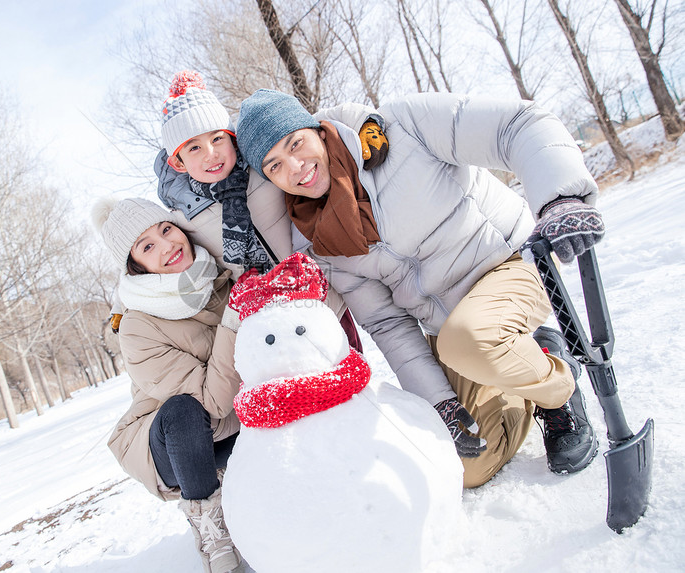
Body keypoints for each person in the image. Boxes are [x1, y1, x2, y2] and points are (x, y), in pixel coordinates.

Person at [234, 88, 604, 488]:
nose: (295, 167)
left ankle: (559, 394)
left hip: (509, 263)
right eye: (274, 166)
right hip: (449, 329)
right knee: (468, 466)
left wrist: (560, 199)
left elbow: (514, 126)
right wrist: (441, 404)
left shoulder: (404, 127)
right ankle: (536, 354)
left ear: (318, 131)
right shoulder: (315, 240)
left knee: (470, 339)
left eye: (296, 143)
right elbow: (386, 322)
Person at [150, 70, 390, 351]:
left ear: (232, 137)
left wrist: (364, 123)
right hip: (270, 329)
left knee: (354, 376)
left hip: (323, 300)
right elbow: (147, 252)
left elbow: (310, 123)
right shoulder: (184, 215)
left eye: (217, 139)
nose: (210, 154)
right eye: (194, 148)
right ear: (178, 163)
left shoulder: (264, 164)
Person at [92, 196, 244, 573]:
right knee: (183, 411)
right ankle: (211, 527)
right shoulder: (138, 326)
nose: (167, 246)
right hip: (172, 443)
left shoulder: (221, 274)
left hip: (231, 423)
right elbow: (211, 404)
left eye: (166, 230)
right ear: (136, 266)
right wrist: (235, 318)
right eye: (147, 246)